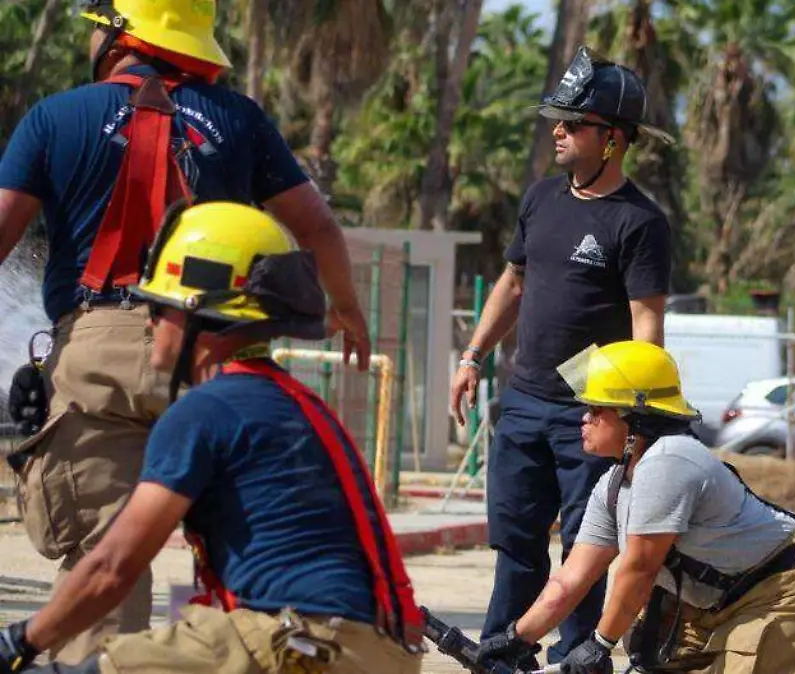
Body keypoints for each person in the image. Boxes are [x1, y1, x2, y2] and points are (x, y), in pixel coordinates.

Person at [0, 0, 370, 662]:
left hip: (96, 349)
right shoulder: (238, 120)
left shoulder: (55, 118)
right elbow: (317, 227)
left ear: (120, 36)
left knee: (105, 561)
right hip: (212, 346)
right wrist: (348, 309)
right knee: (257, 544)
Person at [0, 202, 422, 674]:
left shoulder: (207, 410)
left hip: (306, 645)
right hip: (373, 653)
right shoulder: (295, 402)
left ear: (197, 314)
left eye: (158, 307)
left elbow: (111, 568)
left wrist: (18, 642)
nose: (147, 321)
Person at [448, 46, 673, 664]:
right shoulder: (541, 199)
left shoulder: (639, 223)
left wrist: (635, 420)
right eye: (559, 119)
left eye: (573, 122)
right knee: (515, 544)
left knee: (585, 548)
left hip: (591, 418)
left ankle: (579, 659)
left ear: (614, 139)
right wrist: (471, 357)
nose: (559, 130)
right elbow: (513, 283)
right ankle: (501, 656)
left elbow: (645, 324)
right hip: (523, 404)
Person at [473, 340, 795, 674]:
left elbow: (639, 569)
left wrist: (598, 645)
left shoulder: (670, 459)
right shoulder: (614, 485)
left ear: (633, 417)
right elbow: (569, 582)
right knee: (644, 642)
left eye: (596, 409)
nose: (582, 418)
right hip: (718, 599)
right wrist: (513, 640)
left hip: (788, 587)